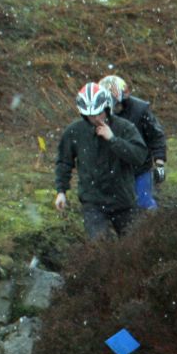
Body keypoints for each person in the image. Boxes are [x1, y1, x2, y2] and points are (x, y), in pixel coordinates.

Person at [54, 82, 147, 241]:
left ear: (106, 108)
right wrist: (61, 191)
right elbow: (64, 162)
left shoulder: (124, 127)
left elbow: (139, 156)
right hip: (93, 203)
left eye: (99, 113)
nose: (96, 118)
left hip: (123, 201)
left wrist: (113, 140)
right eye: (91, 116)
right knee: (100, 244)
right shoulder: (74, 132)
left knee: (134, 244)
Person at [99, 74, 168, 209]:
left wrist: (159, 163)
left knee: (144, 203)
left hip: (140, 166)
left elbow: (156, 135)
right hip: (115, 169)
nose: (115, 108)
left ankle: (155, 219)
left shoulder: (140, 110)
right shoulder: (100, 115)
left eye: (117, 104)